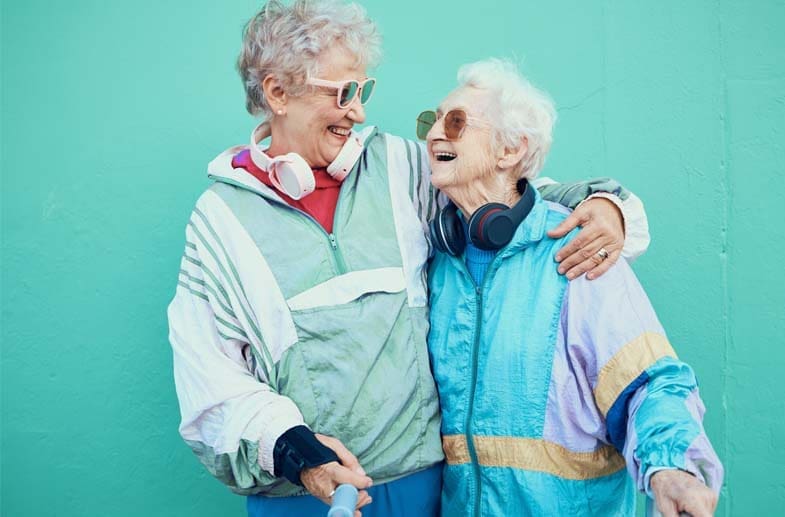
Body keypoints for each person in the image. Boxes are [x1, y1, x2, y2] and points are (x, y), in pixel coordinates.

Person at [167, 1, 650, 515]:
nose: (359, 111)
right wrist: (299, 455)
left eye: (364, 90)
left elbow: (506, 195)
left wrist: (606, 204)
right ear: (277, 93)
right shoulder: (219, 219)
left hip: (425, 489)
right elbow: (210, 380)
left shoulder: (401, 167)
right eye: (344, 93)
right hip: (301, 495)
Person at [424, 58, 723, 517]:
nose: (434, 134)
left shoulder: (578, 248)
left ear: (510, 151)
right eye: (431, 120)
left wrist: (671, 468)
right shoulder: (441, 261)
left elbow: (648, 382)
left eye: (456, 121)